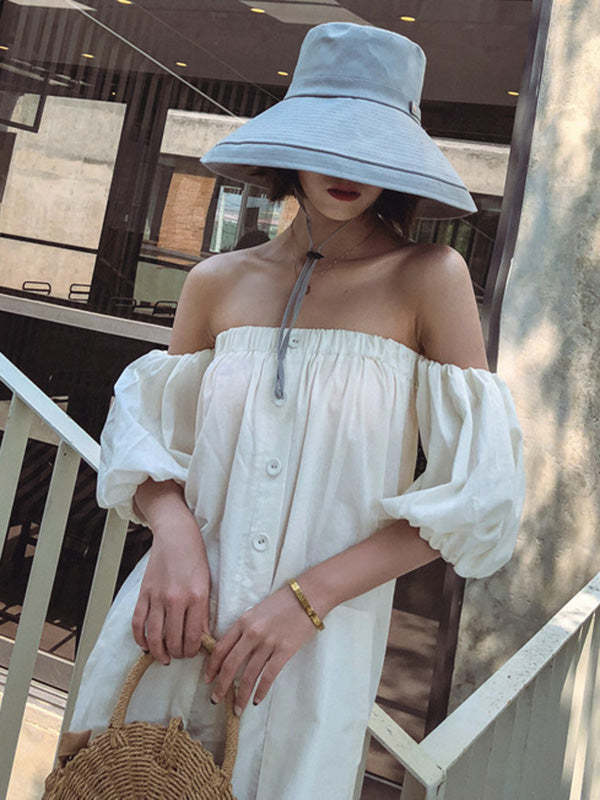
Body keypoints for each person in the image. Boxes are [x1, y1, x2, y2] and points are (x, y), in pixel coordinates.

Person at [68, 21, 526, 799]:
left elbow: (477, 493)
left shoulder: (428, 277)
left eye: (370, 147)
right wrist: (172, 531)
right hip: (175, 624)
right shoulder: (217, 281)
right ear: (293, 143)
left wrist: (308, 601)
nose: (346, 167)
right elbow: (147, 444)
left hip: (309, 652)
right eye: (329, 140)